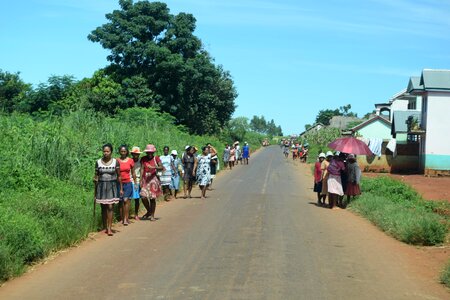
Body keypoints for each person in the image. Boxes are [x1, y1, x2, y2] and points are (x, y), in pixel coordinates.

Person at [94, 143, 122, 236]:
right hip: (101, 186)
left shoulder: (115, 162)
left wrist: (121, 188)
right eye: (104, 151)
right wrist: (95, 179)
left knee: (110, 207)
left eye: (107, 151)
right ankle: (104, 226)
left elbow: (119, 176)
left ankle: (110, 228)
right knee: (103, 207)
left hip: (112, 186)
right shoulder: (98, 162)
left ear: (111, 152)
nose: (105, 153)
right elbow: (96, 174)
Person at [140, 144, 163, 221]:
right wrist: (140, 180)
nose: (149, 154)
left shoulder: (156, 158)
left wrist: (153, 167)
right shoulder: (143, 159)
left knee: (152, 198)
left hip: (153, 180)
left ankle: (152, 215)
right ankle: (149, 211)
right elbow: (142, 169)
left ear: (153, 152)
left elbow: (161, 167)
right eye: (148, 152)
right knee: (143, 196)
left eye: (151, 152)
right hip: (145, 179)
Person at [117, 145, 137, 225]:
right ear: (119, 152)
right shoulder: (117, 161)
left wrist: (135, 183)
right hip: (119, 183)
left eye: (124, 151)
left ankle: (126, 218)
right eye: (121, 151)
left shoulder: (130, 161)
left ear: (127, 152)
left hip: (128, 183)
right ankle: (122, 218)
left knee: (126, 200)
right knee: (121, 201)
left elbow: (133, 172)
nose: (123, 153)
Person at [130, 146, 142, 221]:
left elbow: (142, 171)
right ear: (132, 154)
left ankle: (136, 214)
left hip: (137, 181)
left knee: (136, 199)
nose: (135, 155)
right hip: (129, 180)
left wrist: (141, 181)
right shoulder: (129, 161)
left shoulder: (141, 161)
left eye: (137, 154)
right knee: (127, 199)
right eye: (134, 154)